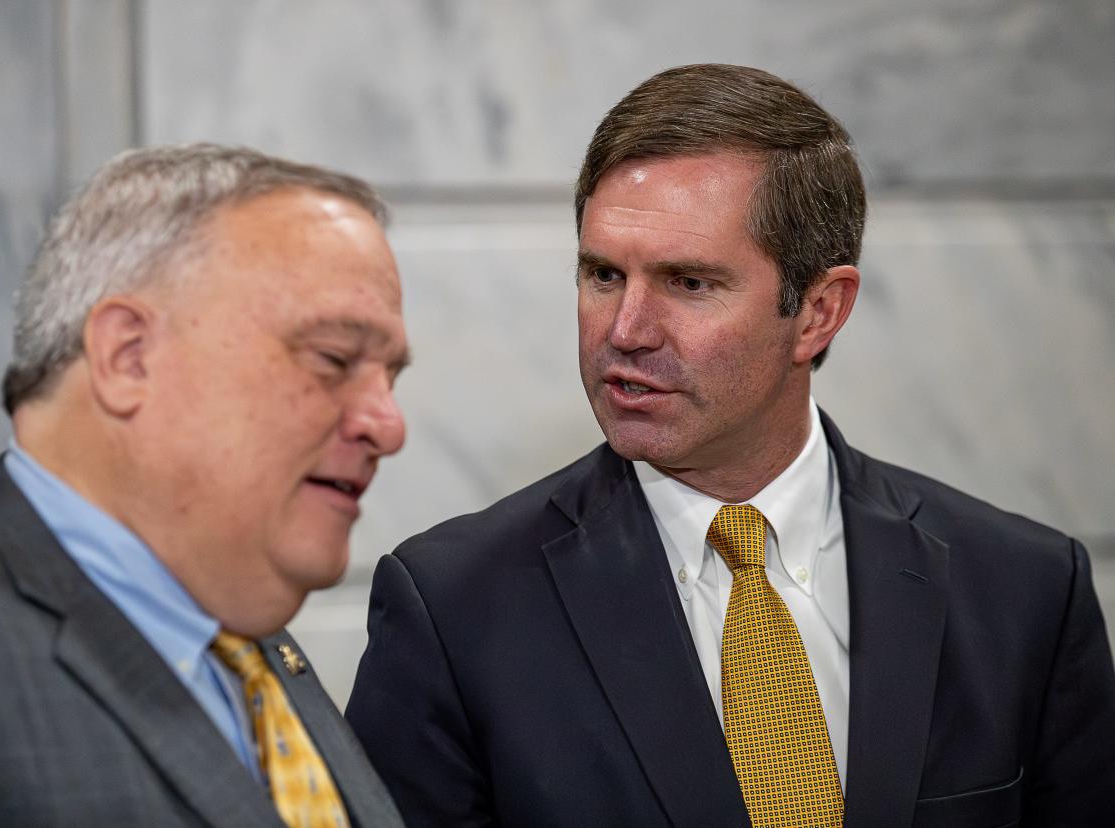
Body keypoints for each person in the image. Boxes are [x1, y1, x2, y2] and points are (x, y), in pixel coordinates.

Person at [345, 65, 1115, 826]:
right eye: (603, 274)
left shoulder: (1027, 592)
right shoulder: (452, 609)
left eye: (689, 283)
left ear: (818, 311)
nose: (626, 331)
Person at [0, 144, 409, 827]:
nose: (388, 427)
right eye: (333, 358)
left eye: (390, 378)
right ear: (128, 357)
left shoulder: (246, 637)